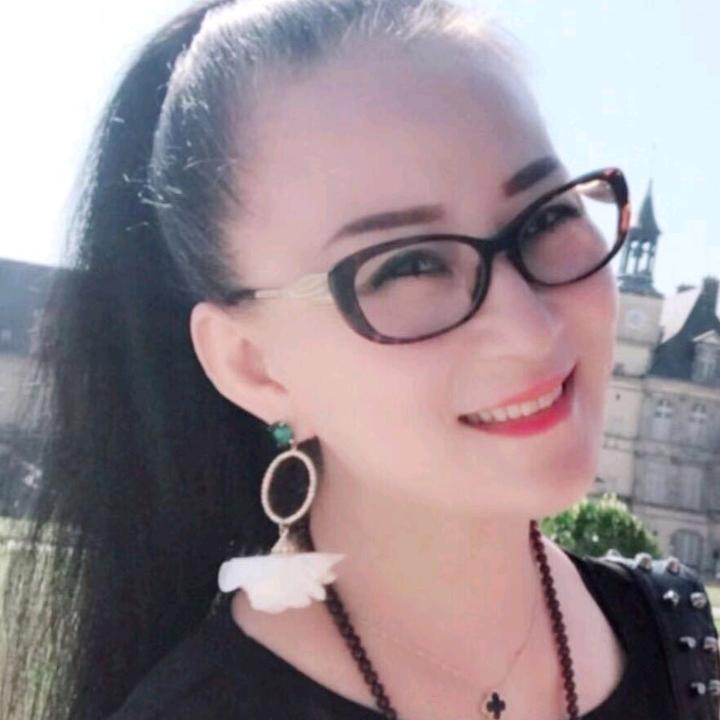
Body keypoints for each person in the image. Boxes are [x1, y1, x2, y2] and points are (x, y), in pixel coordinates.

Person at [2, 1, 719, 719]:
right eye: (406, 265)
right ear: (254, 365)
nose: (531, 330)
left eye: (548, 214)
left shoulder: (675, 638)